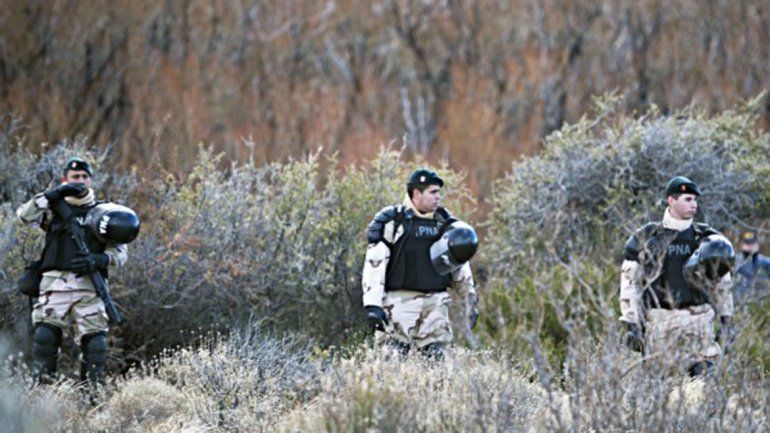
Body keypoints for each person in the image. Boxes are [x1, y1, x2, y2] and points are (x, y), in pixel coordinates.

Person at [16, 157, 128, 385]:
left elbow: (121, 253)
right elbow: (24, 216)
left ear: (91, 180)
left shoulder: (103, 212)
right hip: (54, 286)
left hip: (89, 287)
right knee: (45, 338)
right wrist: (54, 194)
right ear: (65, 179)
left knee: (96, 344)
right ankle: (42, 396)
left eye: (84, 177)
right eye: (75, 177)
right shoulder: (53, 209)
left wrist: (100, 259)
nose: (80, 181)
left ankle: (91, 396)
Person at [618, 176, 735, 376]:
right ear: (671, 200)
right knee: (658, 390)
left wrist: (726, 321)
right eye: (687, 199)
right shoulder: (646, 238)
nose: (694, 205)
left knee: (703, 384)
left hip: (699, 321)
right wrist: (632, 324)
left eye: (695, 200)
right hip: (660, 323)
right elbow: (630, 283)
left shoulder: (707, 238)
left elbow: (722, 285)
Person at [361, 168, 478, 359]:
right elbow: (375, 263)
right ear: (416, 193)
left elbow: (460, 266)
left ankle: (432, 390)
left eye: (439, 192)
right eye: (433, 192)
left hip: (436, 306)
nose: (439, 197)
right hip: (397, 305)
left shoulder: (445, 223)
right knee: (392, 361)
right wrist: (373, 306)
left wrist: (469, 300)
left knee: (437, 364)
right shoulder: (393, 221)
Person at [734, 231, 770, 304]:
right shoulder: (735, 262)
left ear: (757, 245)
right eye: (747, 244)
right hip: (741, 301)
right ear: (742, 245)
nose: (750, 246)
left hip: (761, 301)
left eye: (752, 244)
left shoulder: (766, 262)